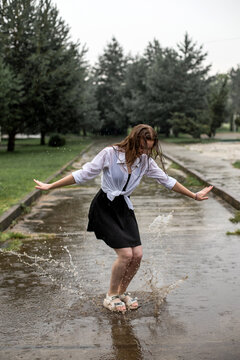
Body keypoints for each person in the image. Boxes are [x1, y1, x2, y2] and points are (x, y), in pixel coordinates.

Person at [34, 124, 213, 313]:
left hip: (124, 208)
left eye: (148, 149)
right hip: (104, 207)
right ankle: (110, 296)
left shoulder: (144, 161)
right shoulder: (109, 154)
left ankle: (122, 292)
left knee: (137, 255)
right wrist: (51, 186)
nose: (144, 152)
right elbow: (83, 174)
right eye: (142, 147)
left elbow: (167, 180)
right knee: (126, 254)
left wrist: (193, 195)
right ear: (134, 140)